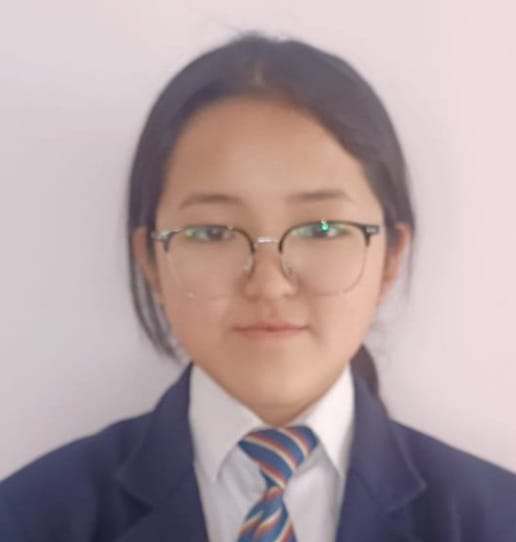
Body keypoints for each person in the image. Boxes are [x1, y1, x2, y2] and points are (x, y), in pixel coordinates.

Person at [1, 31, 515, 542]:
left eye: (321, 229)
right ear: (152, 261)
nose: (269, 284)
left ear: (390, 258)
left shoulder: (496, 519)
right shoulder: (28, 518)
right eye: (213, 233)